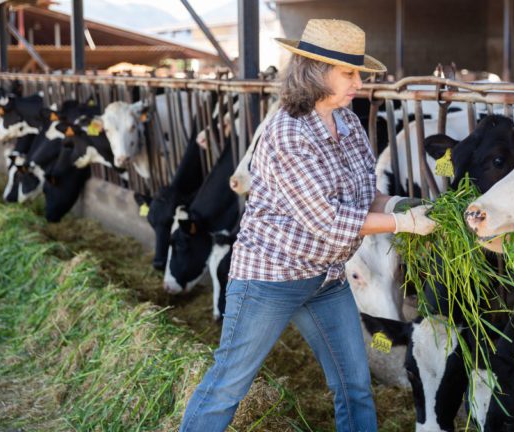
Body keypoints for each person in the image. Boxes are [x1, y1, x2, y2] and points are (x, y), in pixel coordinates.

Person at [179, 19, 435, 432]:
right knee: (228, 385)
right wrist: (402, 223)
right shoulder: (288, 132)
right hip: (270, 280)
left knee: (355, 386)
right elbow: (329, 221)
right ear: (316, 72)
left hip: (325, 278)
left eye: (359, 73)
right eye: (349, 73)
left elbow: (363, 195)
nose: (359, 83)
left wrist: (405, 205)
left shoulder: (349, 122)